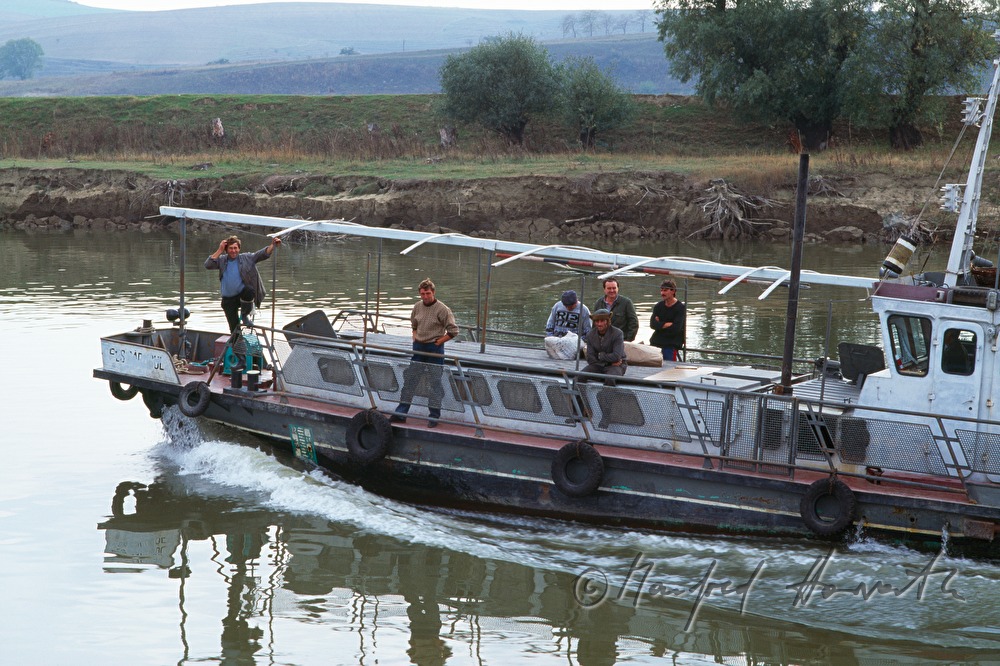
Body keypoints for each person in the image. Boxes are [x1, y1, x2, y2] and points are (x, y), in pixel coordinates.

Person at [391, 278, 459, 428]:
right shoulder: (417, 306)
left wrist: (439, 342)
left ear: (433, 292)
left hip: (434, 349)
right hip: (419, 348)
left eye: (428, 293)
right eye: (422, 294)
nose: (425, 296)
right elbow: (413, 324)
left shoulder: (443, 309)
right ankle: (401, 413)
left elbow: (454, 331)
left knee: (434, 383)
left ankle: (434, 417)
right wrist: (415, 336)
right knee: (410, 381)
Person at [205, 234, 281, 332]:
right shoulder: (222, 260)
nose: (233, 251)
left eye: (235, 248)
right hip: (228, 300)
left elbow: (261, 254)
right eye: (230, 248)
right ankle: (237, 345)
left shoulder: (246, 258)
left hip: (242, 297)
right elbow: (208, 265)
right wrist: (220, 250)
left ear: (239, 248)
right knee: (234, 328)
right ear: (226, 249)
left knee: (249, 290)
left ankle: (245, 315)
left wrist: (273, 246)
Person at [582, 309, 627, 384]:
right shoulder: (590, 335)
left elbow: (617, 356)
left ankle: (605, 396)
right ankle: (580, 395)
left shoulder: (618, 333)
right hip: (599, 365)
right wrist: (607, 362)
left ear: (607, 321)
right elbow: (590, 358)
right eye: (597, 321)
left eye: (602, 321)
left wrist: (599, 356)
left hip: (617, 366)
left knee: (610, 379)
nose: (599, 324)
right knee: (579, 377)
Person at [649, 279, 686, 361]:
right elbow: (652, 324)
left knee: (669, 369)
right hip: (656, 342)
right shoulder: (658, 306)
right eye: (661, 290)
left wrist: (660, 324)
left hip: (671, 344)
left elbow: (676, 328)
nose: (662, 293)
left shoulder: (680, 308)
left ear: (673, 291)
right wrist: (667, 324)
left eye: (665, 290)